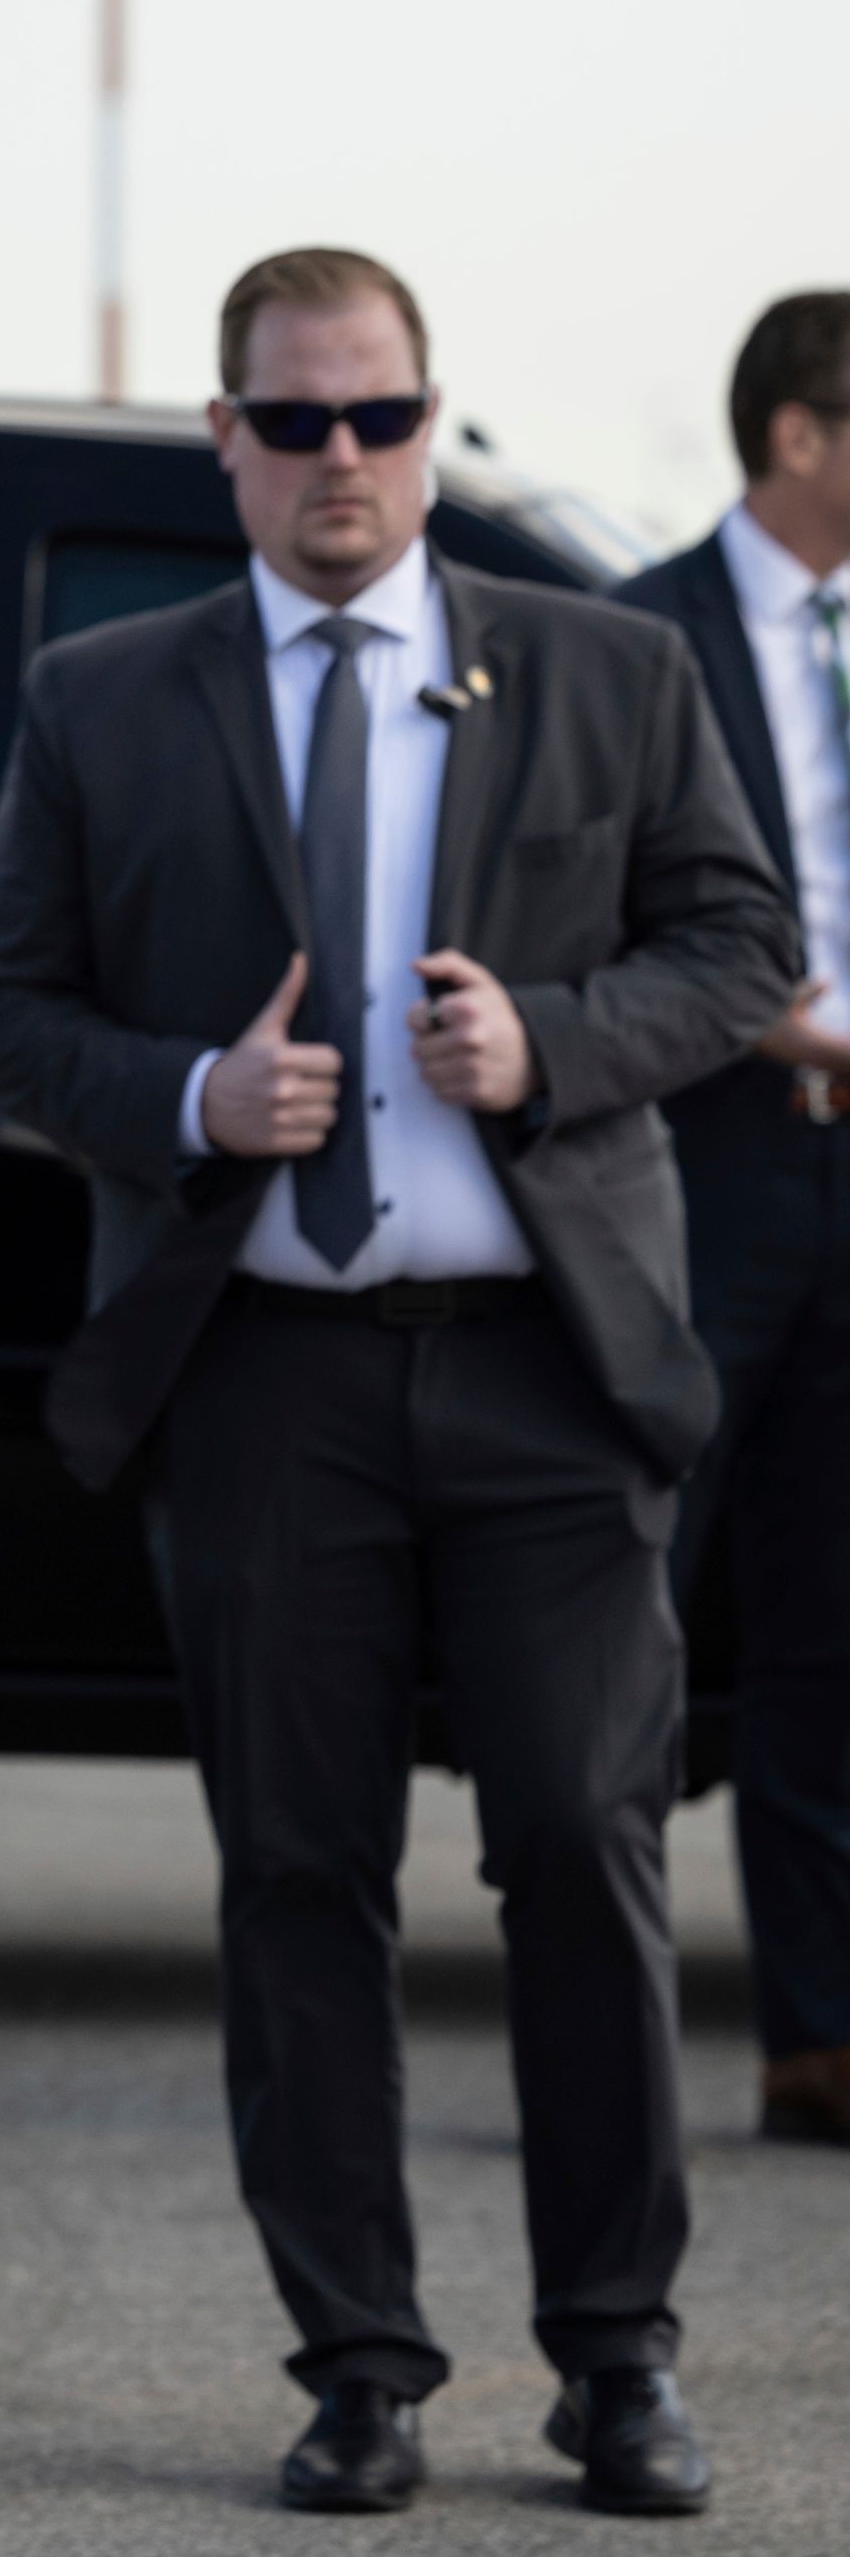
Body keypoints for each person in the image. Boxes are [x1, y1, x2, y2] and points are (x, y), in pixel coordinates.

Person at [0, 246, 796, 2520]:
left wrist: (556, 1042)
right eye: (295, 422)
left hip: (547, 1375)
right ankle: (361, 2367)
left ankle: (617, 2363)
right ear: (222, 437)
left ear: (434, 426)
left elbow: (745, 947)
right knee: (298, 1880)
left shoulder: (610, 671)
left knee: (586, 1866)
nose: (345, 462)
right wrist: (194, 1097)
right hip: (265, 1384)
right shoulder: (102, 697)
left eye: (383, 418)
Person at [612, 291, 850, 2153]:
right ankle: (591, 2016)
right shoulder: (639, 639)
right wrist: (762, 1009)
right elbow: (594, 917)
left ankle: (817, 2041)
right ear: (797, 435)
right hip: (706, 1164)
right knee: (640, 1610)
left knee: (834, 1621)